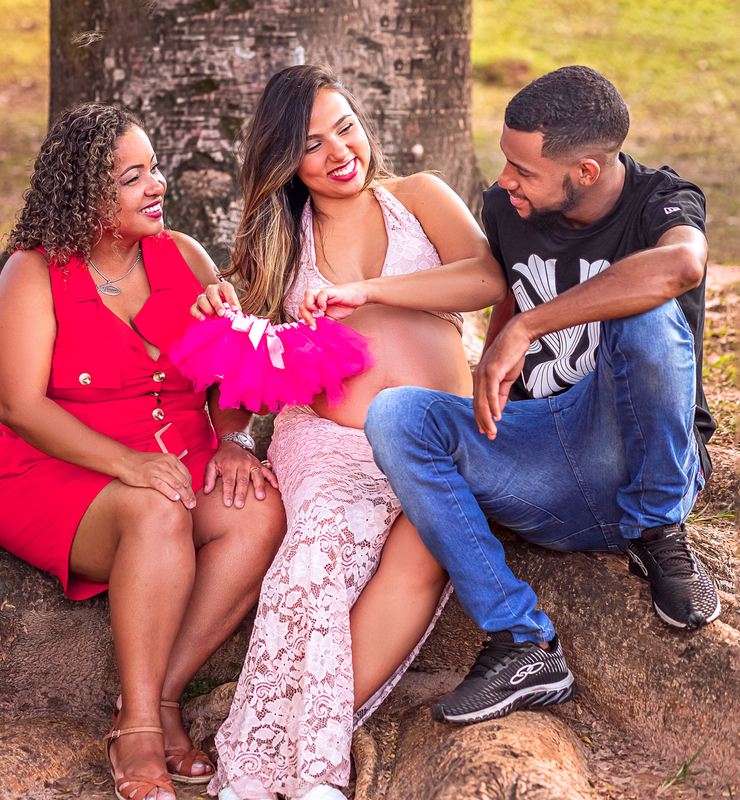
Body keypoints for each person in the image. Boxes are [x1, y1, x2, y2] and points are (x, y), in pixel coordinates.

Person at [363, 65, 720, 726]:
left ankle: (658, 532)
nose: (505, 179)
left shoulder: (661, 201)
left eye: (523, 169)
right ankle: (522, 642)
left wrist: (528, 327)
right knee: (397, 415)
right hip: (543, 459)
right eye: (506, 161)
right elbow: (511, 297)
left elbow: (681, 266)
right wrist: (493, 360)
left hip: (632, 451)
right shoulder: (508, 208)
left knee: (647, 313)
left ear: (586, 171)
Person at [197, 65, 507, 800]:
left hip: (435, 440)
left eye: (346, 128)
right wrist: (231, 429)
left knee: (426, 551)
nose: (340, 151)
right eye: (312, 144)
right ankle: (281, 777)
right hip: (330, 444)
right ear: (285, 162)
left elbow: (488, 280)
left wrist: (369, 291)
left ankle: (296, 759)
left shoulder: (418, 196)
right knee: (314, 552)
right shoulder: (278, 248)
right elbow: (242, 376)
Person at [0, 104, 286, 800]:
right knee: (155, 507)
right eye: (132, 177)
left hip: (177, 460)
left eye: (155, 168)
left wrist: (234, 440)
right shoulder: (33, 274)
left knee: (259, 509)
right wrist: (128, 465)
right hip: (56, 474)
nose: (156, 186)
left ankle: (159, 696)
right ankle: (139, 729)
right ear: (86, 195)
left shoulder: (185, 257)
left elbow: (228, 377)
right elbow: (19, 406)